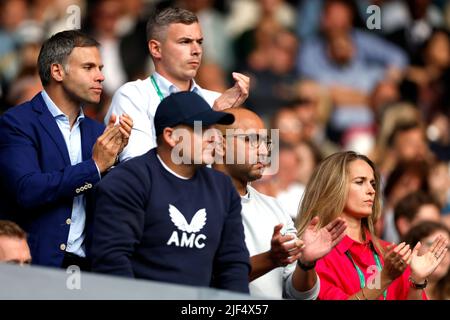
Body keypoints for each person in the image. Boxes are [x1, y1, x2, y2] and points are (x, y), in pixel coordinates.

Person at [90, 92, 250, 293]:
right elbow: (111, 262)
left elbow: (233, 264)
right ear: (170, 136)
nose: (214, 138)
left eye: (214, 130)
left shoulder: (223, 188)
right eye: (202, 130)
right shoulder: (128, 181)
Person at [0, 30, 132, 269]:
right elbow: (27, 190)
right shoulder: (17, 122)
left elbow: (113, 206)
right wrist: (94, 167)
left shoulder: (98, 132)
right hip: (34, 266)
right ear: (57, 71)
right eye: (89, 67)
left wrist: (117, 162)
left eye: (100, 68)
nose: (101, 76)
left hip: (89, 268)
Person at [213, 108, 347, 299]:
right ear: (220, 144)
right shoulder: (195, 200)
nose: (264, 151)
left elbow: (298, 293)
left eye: (265, 142)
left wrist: (306, 263)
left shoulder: (274, 208)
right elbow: (203, 276)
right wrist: (271, 258)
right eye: (251, 140)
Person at [295, 151, 449, 300]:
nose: (371, 191)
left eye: (373, 183)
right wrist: (384, 278)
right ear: (333, 187)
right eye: (360, 182)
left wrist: (417, 281)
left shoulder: (391, 254)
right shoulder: (316, 254)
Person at [105, 7, 250, 162]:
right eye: (185, 42)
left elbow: (233, 167)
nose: (196, 50)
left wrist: (227, 115)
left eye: (199, 42)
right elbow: (140, 168)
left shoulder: (216, 100)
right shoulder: (133, 95)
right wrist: (210, 118)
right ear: (156, 49)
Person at [403, 221, 450, 300]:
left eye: (447, 248)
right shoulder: (393, 285)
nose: (441, 252)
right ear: (412, 248)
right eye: (433, 245)